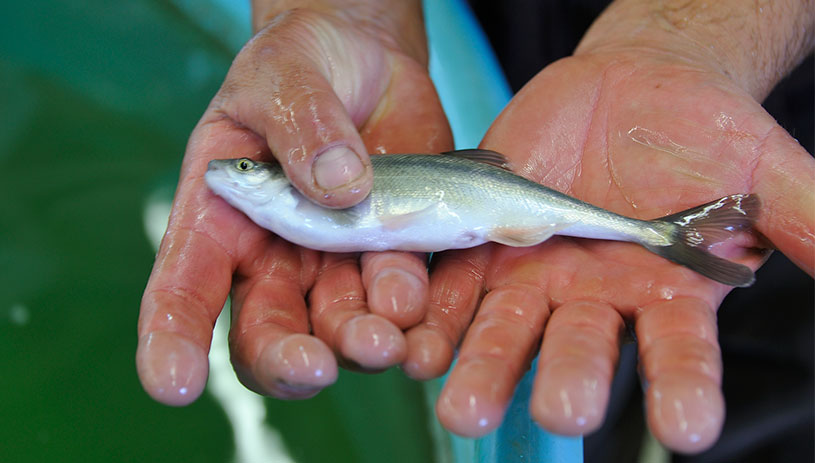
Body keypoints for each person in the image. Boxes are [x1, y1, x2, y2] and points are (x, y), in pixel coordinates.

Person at [137, 0, 815, 455]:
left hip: (748, 92)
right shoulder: (299, 202)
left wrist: (702, 35)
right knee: (582, 401)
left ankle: (678, 241)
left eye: (248, 174)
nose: (235, 176)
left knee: (770, 408)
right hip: (507, 52)